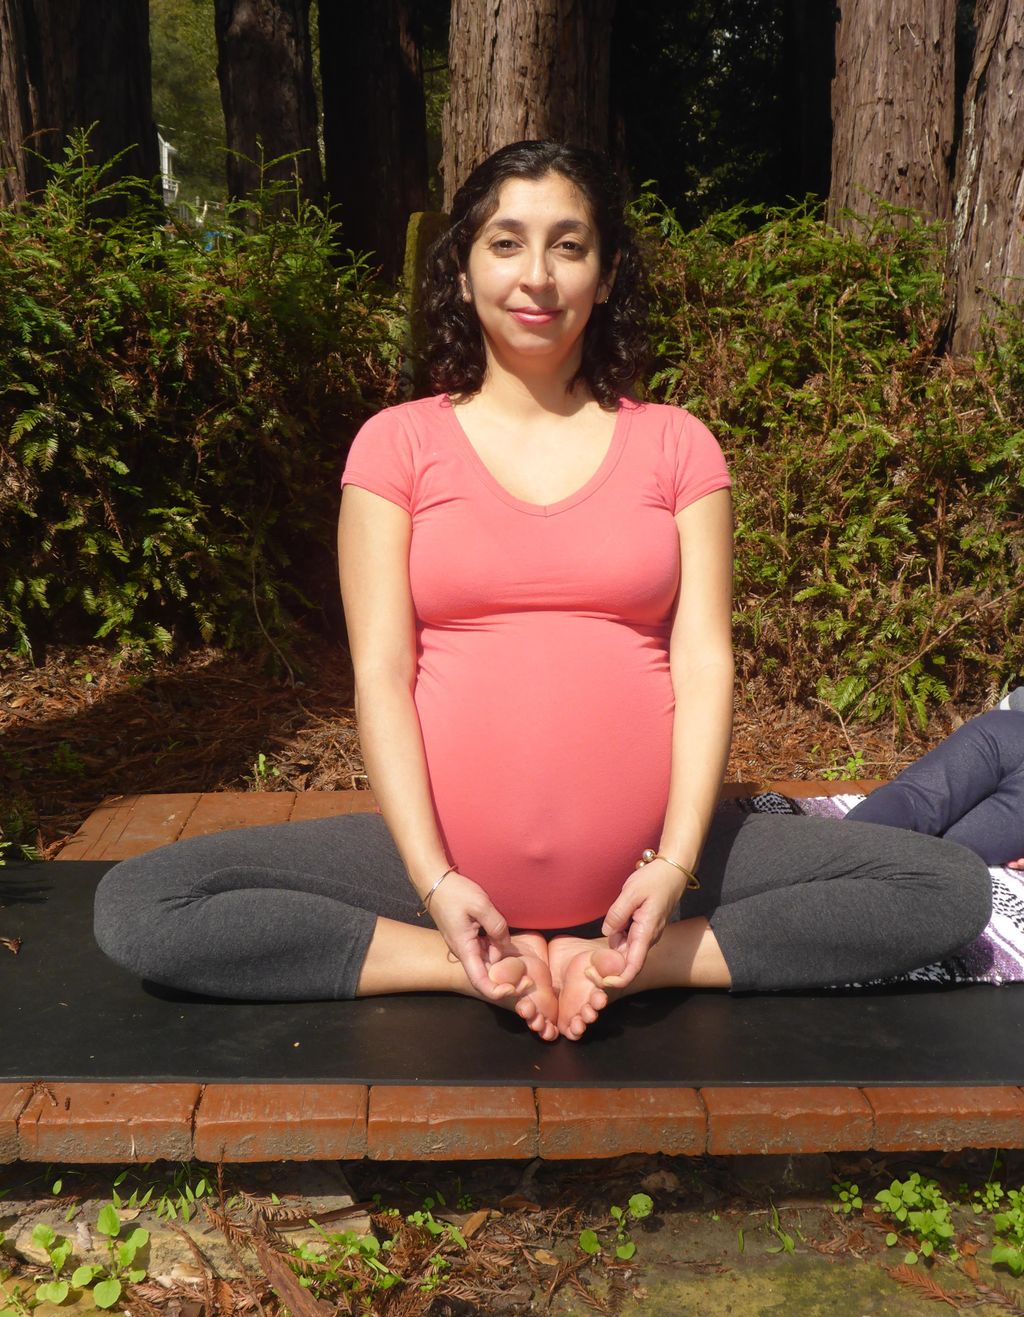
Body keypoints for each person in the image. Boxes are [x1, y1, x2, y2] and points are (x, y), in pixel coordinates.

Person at [93, 141, 992, 1041]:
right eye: (506, 243)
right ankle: (470, 965)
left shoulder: (679, 445)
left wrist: (675, 866)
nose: (538, 275)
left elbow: (706, 660)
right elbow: (382, 673)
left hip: (659, 870)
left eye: (569, 245)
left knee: (943, 888)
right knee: (144, 901)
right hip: (444, 871)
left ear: (603, 277)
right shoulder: (395, 447)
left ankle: (638, 965)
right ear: (461, 271)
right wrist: (438, 885)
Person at [845, 708, 1024, 869]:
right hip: (1009, 730)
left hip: (1009, 726)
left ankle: (825, 854)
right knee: (952, 847)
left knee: (914, 798)